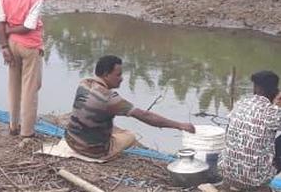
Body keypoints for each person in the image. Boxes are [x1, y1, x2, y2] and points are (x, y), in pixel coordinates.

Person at [65, 55, 196, 161]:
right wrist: (179, 125)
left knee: (109, 125)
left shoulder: (84, 83)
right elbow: (145, 116)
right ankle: (102, 151)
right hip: (91, 151)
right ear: (106, 74)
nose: (121, 79)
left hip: (70, 140)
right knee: (129, 135)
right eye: (118, 75)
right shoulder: (110, 99)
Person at [220, 70, 281, 192]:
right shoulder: (275, 113)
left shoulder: (240, 103)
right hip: (254, 182)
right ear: (275, 91)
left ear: (255, 89)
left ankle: (234, 177)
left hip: (227, 175)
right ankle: (261, 185)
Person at [0, 0, 47, 137]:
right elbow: (29, 26)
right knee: (30, 90)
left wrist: (4, 46)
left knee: (14, 86)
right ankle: (27, 133)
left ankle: (13, 127)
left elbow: (0, 21)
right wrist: (12, 30)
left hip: (11, 46)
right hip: (29, 46)